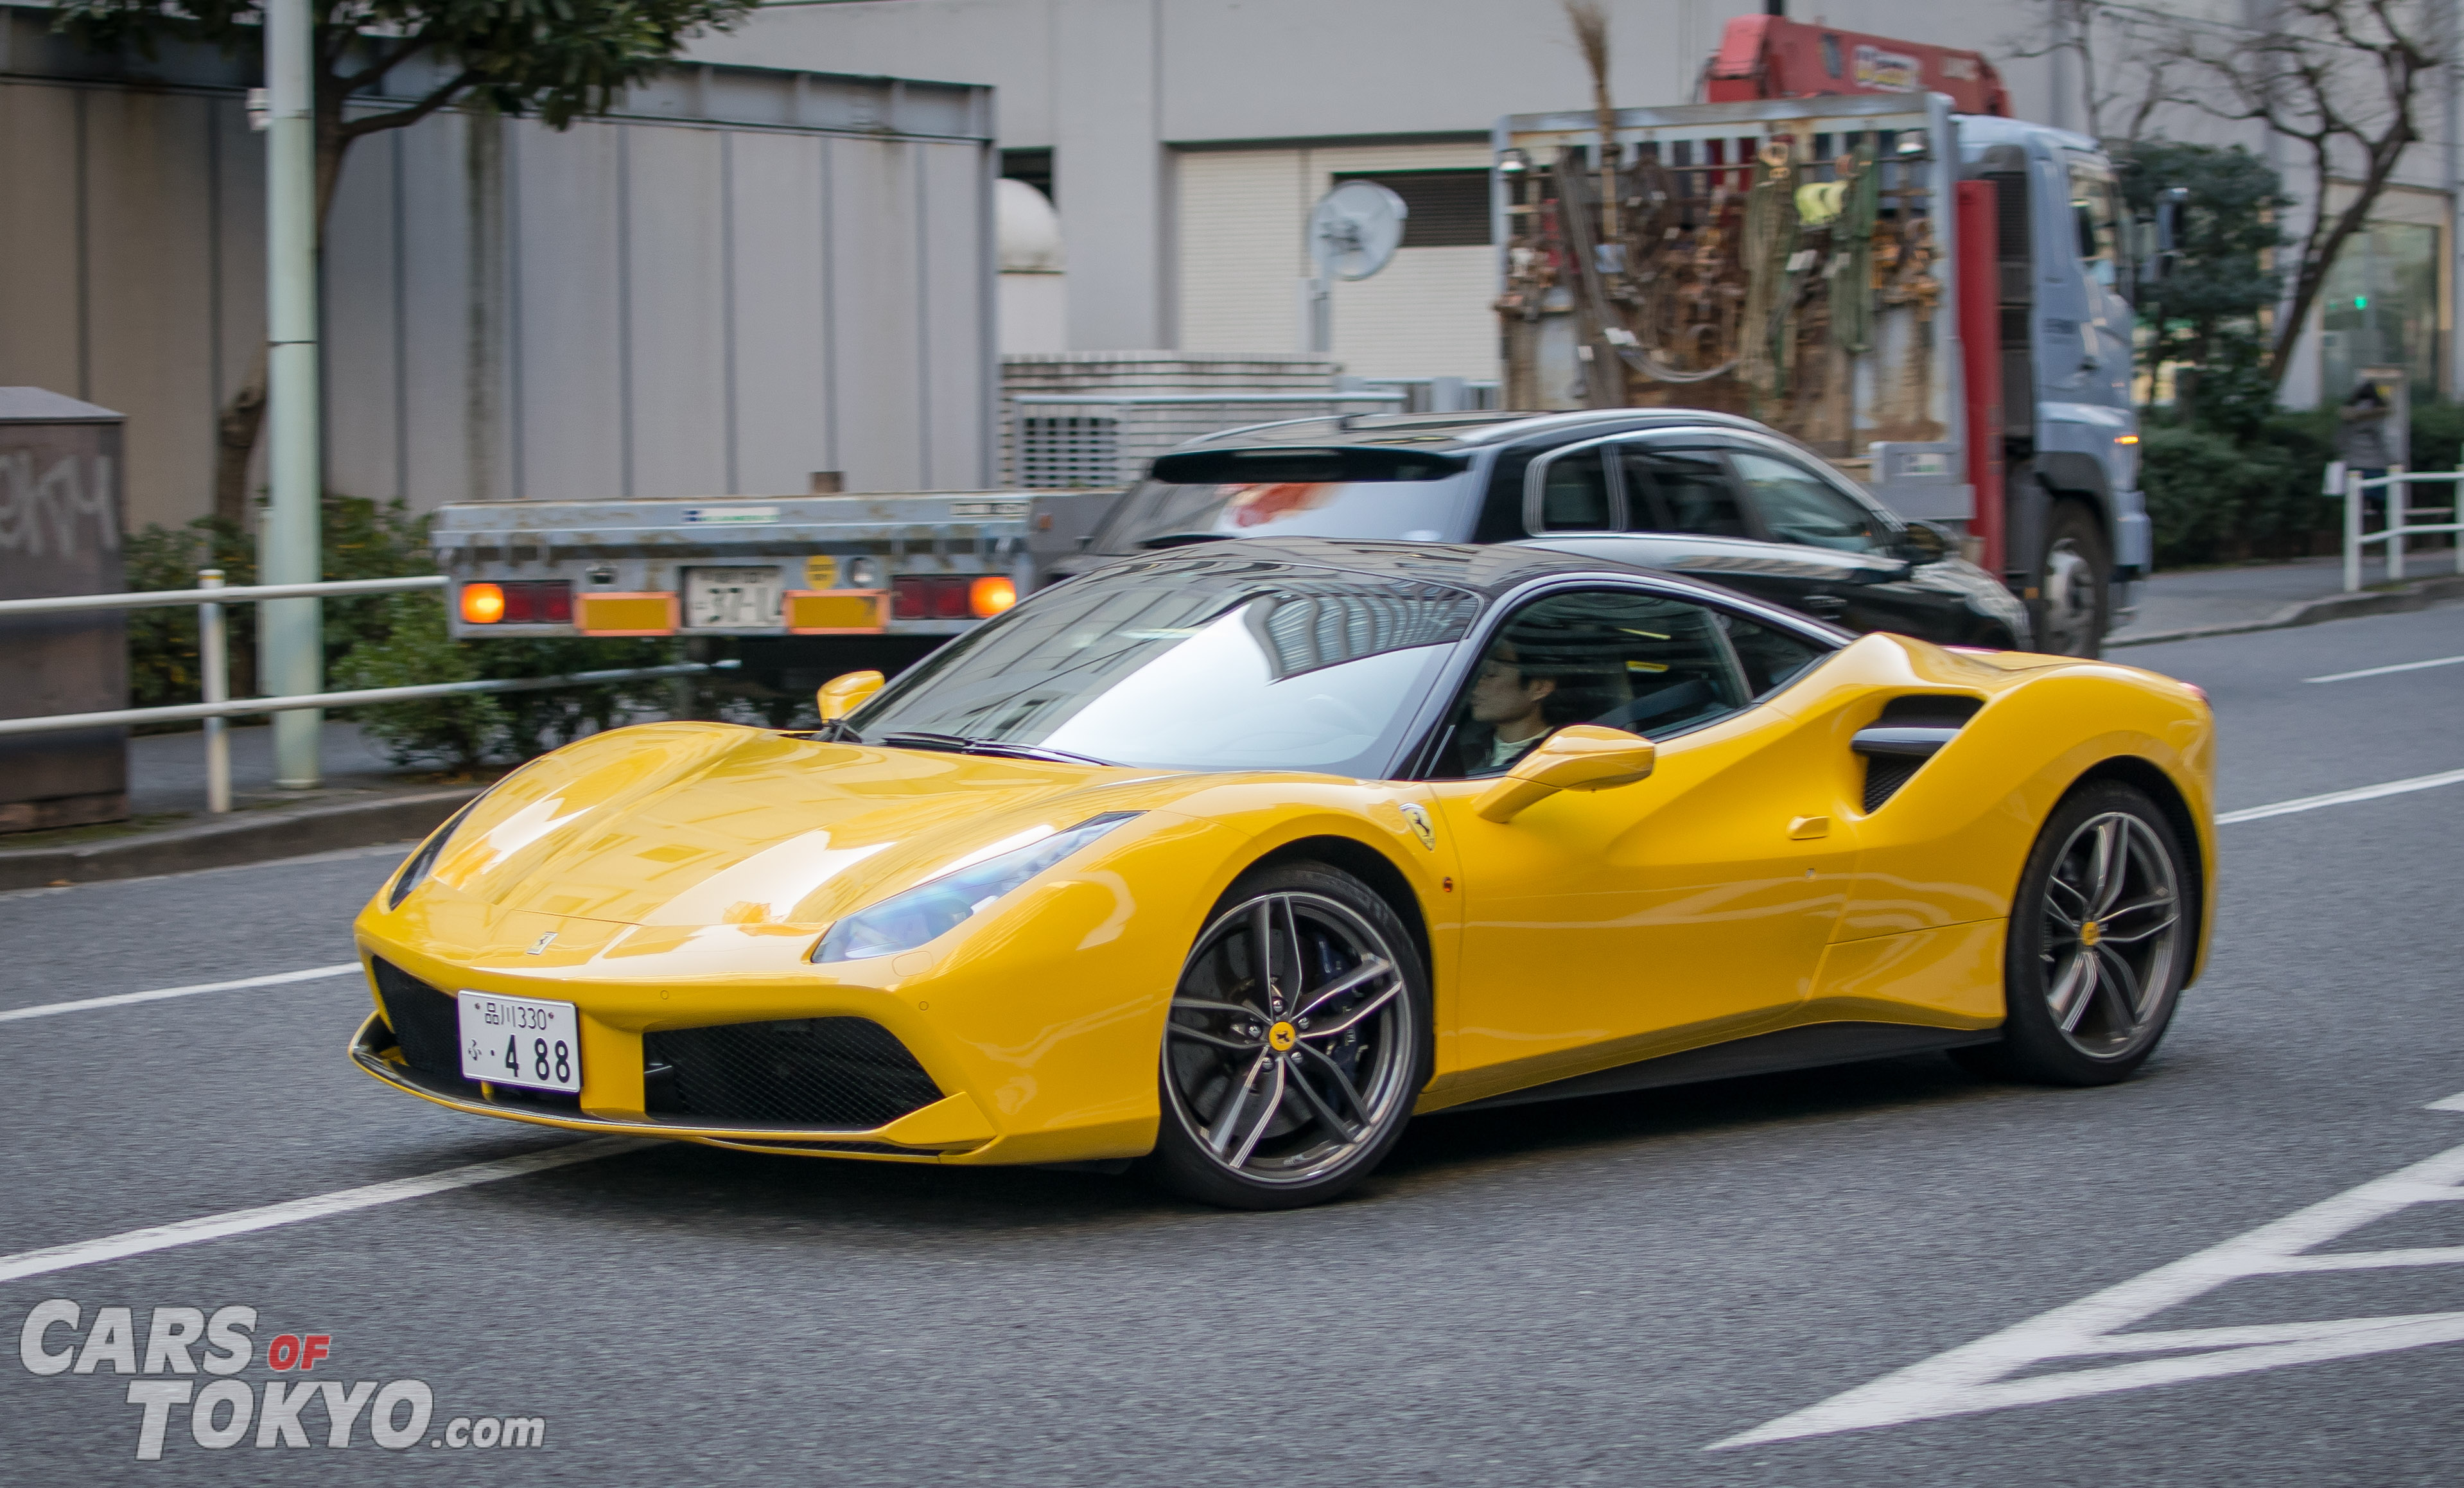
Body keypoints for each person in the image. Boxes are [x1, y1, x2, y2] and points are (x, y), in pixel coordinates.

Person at [1459, 640, 1560, 777]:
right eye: (1478, 673)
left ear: (1540, 688)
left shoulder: (1558, 759)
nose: (1477, 683)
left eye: (1491, 673)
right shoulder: (1462, 748)